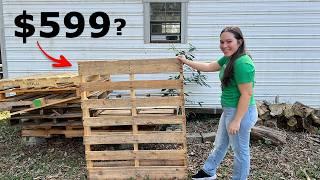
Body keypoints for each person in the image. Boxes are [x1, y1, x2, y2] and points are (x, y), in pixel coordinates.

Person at [177, 26, 258, 180]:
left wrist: (237, 120)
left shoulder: (242, 63)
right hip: (230, 111)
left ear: (239, 42)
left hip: (241, 112)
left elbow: (247, 94)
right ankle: (208, 172)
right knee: (220, 143)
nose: (224, 45)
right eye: (222, 42)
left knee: (240, 151)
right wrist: (186, 61)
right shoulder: (229, 58)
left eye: (229, 41)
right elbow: (209, 66)